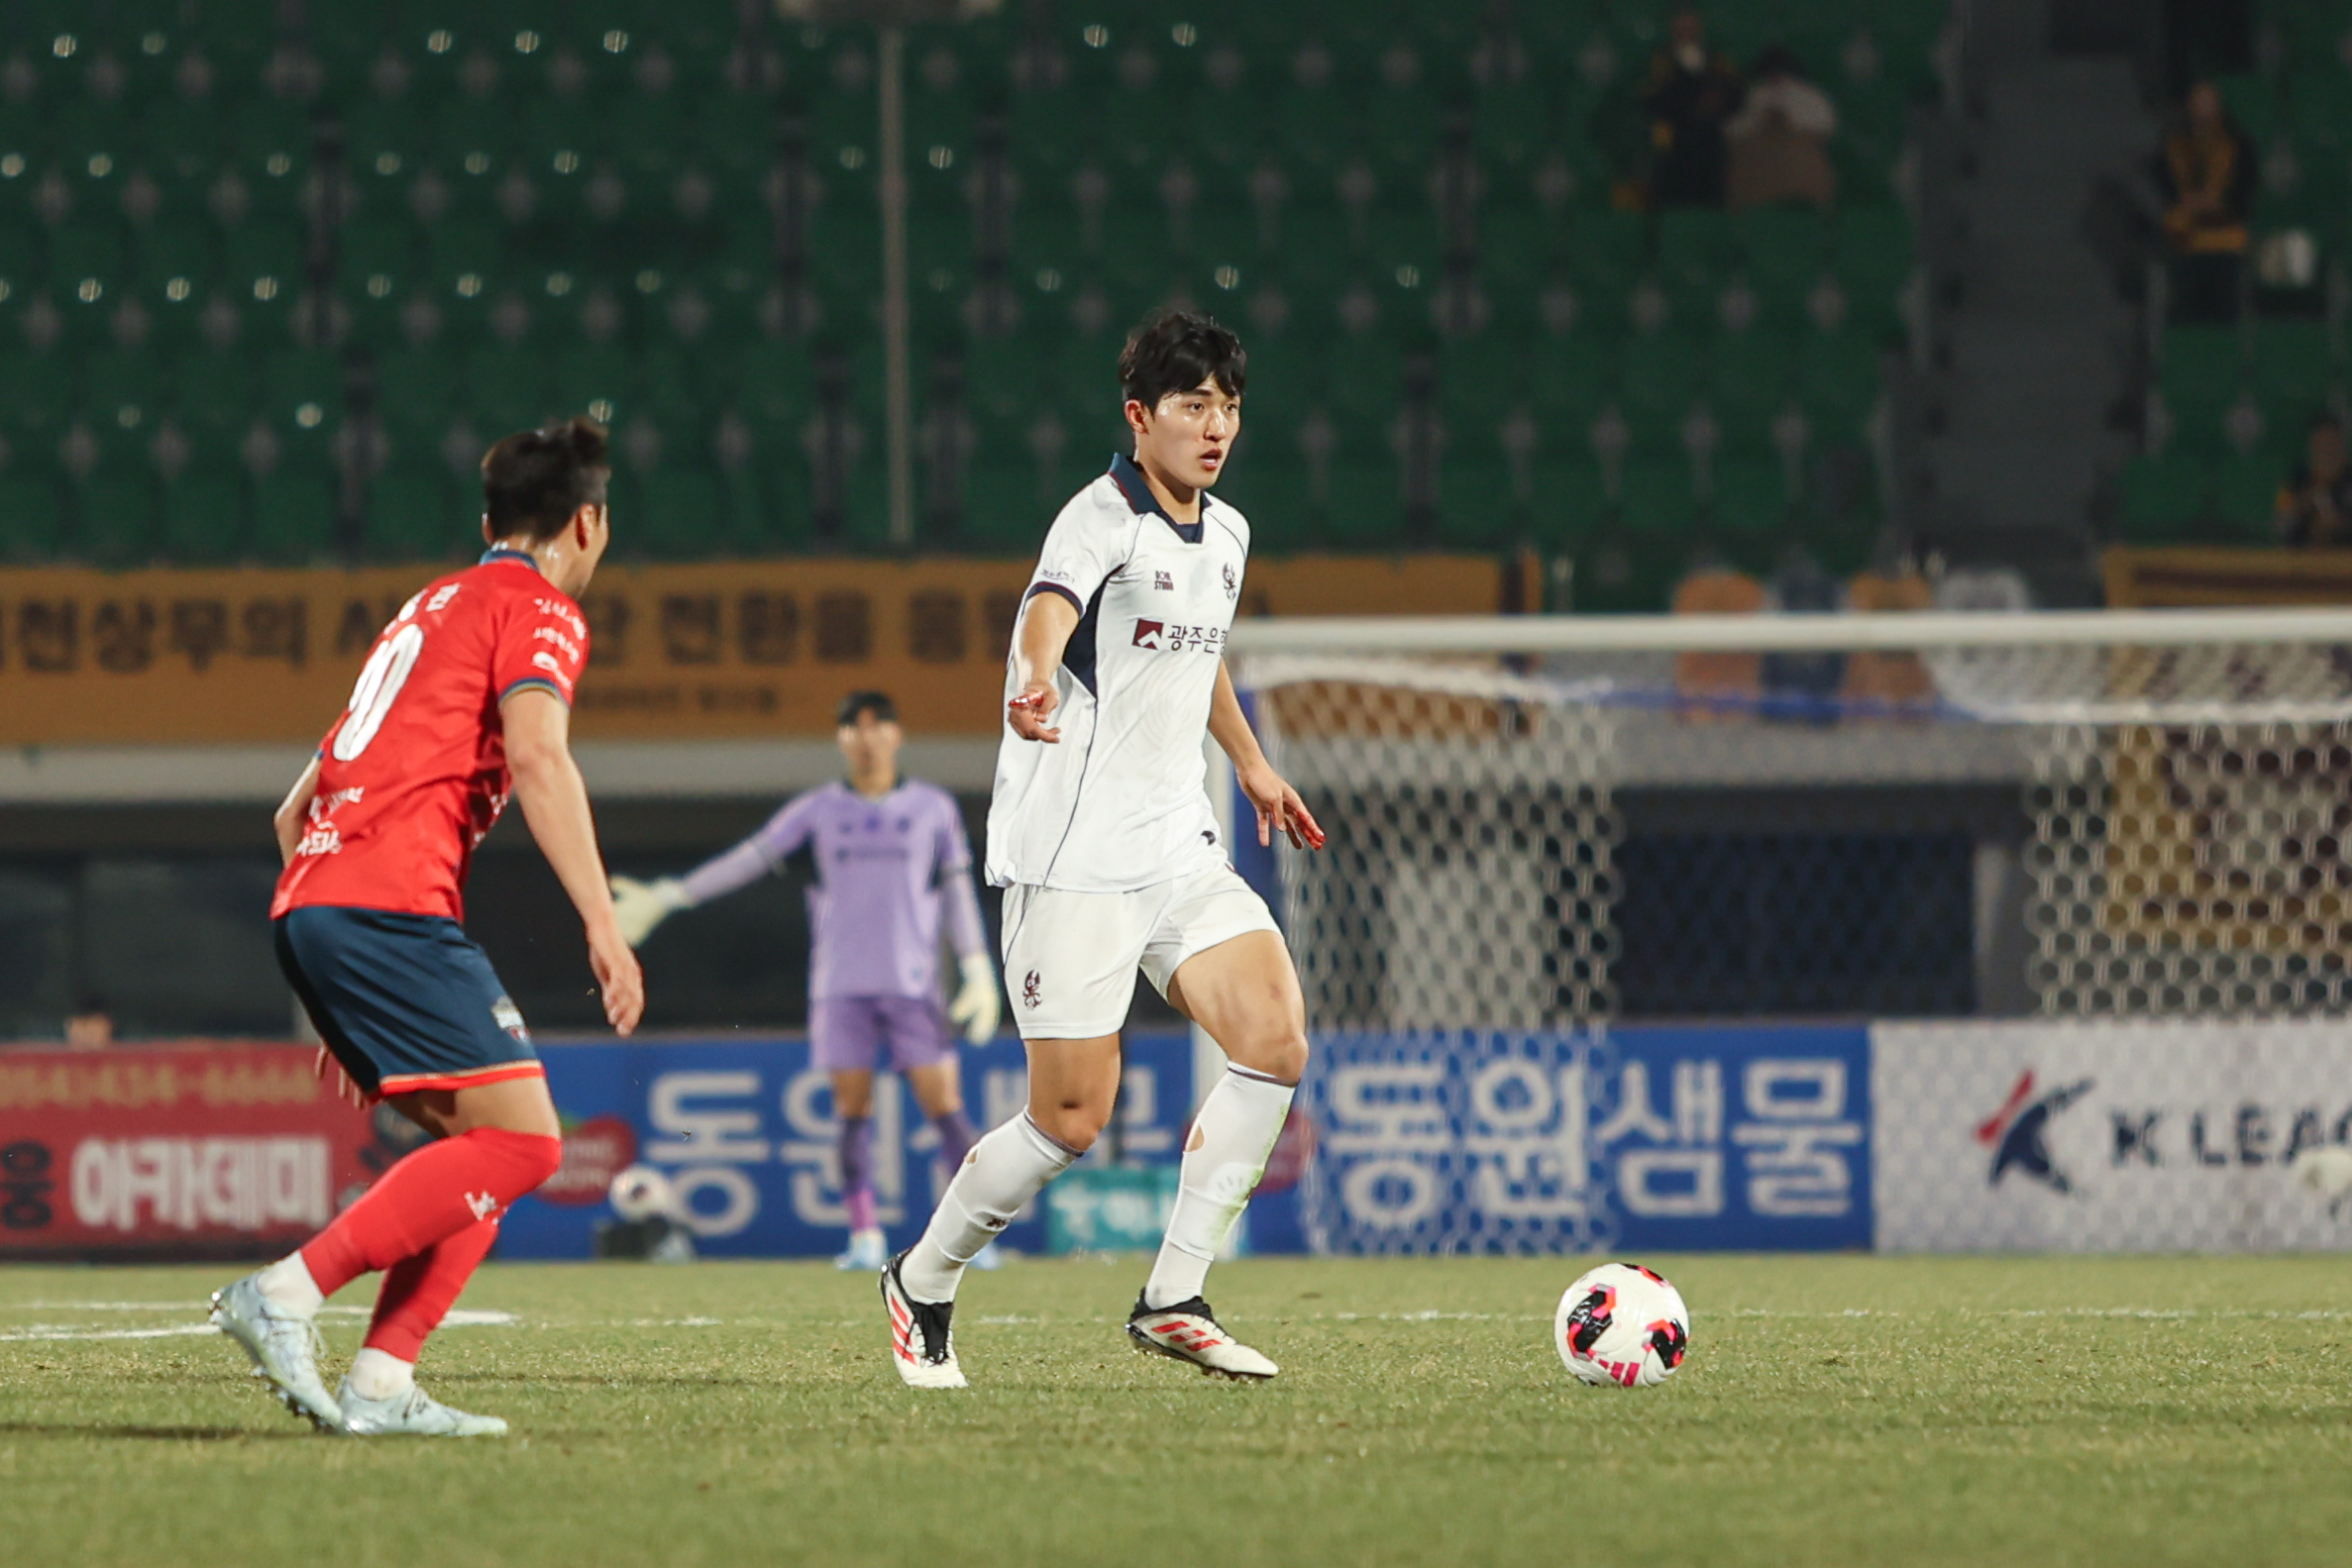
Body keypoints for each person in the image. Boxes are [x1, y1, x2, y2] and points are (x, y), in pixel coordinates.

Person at [881, 308, 1327, 1389]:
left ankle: (1174, 1298)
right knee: (1070, 1119)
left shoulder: (1228, 534)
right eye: (1192, 404)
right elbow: (1048, 609)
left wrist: (1251, 762)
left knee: (1274, 1037)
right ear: (1138, 415)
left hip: (1177, 843)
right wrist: (1034, 678)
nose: (1215, 427)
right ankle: (921, 1278)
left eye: (1228, 406)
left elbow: (1197, 652)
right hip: (1072, 856)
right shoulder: (1097, 518)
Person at [210, 418, 644, 1438]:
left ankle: (380, 1381)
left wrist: (335, 994)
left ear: (489, 522)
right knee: (526, 1143)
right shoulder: (536, 608)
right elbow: (539, 757)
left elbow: (292, 812)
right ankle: (283, 1292)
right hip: (386, 902)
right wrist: (603, 920)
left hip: (320, 900)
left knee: (482, 1145)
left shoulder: (426, 607)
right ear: (587, 523)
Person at [608, 689, 1001, 1272]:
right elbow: (750, 857)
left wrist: (976, 966)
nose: (866, 738)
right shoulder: (819, 811)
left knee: (946, 1108)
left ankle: (969, 1238)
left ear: (896, 735)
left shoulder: (931, 808)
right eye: (853, 727)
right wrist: (672, 895)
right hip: (841, 988)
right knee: (851, 1113)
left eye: (877, 725)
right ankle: (865, 1236)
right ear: (841, 739)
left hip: (914, 986)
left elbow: (958, 890)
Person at [2156, 81, 2255, 323]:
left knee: (2224, 316)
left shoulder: (2238, 146)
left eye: (2208, 102)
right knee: (2185, 314)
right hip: (2185, 242)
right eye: (2198, 102)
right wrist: (2186, 203)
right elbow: (2164, 186)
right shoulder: (2173, 145)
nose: (2203, 108)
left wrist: (2218, 204)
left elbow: (2244, 191)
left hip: (2225, 244)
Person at [1642, 7, 1745, 208]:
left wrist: (1718, 102)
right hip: (1674, 142)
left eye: (1690, 22)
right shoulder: (1660, 60)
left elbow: (1737, 93)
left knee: (1710, 201)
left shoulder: (1716, 59)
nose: (1686, 28)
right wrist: (1690, 104)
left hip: (1710, 142)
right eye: (1681, 22)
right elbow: (1650, 98)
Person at [1726, 45, 1836, 210]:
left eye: (1779, 72)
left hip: (1798, 164)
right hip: (1760, 166)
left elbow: (1825, 124)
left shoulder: (1807, 94)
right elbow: (1737, 126)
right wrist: (1763, 121)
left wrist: (1789, 122)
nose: (1775, 77)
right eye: (1771, 72)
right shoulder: (1757, 93)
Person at [2276, 413, 2352, 548]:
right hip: (2304, 554)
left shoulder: (2348, 477)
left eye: (2331, 440)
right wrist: (2305, 501)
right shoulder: (2298, 478)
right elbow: (2280, 520)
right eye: (2321, 440)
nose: (2326, 447)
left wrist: (2338, 524)